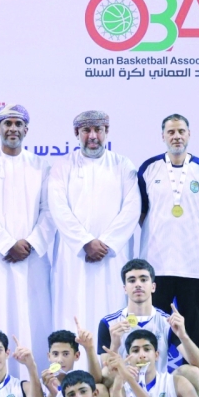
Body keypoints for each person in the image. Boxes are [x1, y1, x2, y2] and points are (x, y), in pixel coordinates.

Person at [0, 104, 55, 372]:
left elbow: (49, 211)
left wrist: (29, 243)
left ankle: (34, 382)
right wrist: (8, 244)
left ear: (26, 130)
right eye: (8, 124)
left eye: (18, 124)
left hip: (31, 259)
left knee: (33, 318)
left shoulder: (41, 166)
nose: (13, 129)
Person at [48, 111, 140, 340]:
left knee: (112, 308)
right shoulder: (62, 166)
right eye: (86, 130)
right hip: (74, 257)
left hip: (111, 256)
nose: (92, 136)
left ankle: (111, 370)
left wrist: (106, 243)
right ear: (76, 133)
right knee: (73, 310)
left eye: (97, 130)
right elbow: (58, 208)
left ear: (106, 132)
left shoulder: (122, 165)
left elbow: (132, 208)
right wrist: (85, 242)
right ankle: (72, 370)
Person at [137, 114, 199, 363]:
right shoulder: (149, 169)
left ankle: (194, 384)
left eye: (181, 131)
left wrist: (196, 240)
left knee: (194, 330)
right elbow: (141, 213)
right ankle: (151, 381)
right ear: (162, 136)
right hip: (157, 265)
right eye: (171, 132)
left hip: (194, 267)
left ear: (189, 134)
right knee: (154, 329)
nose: (176, 136)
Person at [97, 259, 199, 397]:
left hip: (161, 387)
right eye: (132, 280)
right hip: (125, 385)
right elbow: (106, 372)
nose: (138, 285)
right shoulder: (109, 323)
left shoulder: (167, 322)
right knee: (107, 374)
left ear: (153, 286)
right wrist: (115, 346)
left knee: (193, 372)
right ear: (125, 288)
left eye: (143, 279)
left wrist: (183, 335)